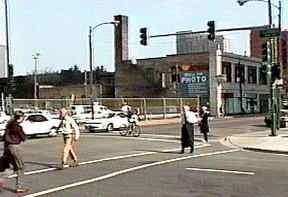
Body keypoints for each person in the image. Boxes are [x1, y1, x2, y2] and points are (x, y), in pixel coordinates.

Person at [2, 111, 30, 193]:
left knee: (8, 166)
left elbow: (4, 137)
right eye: (23, 117)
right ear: (20, 118)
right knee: (20, 167)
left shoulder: (9, 125)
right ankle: (19, 187)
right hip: (14, 147)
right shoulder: (17, 127)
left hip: (6, 147)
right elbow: (24, 138)